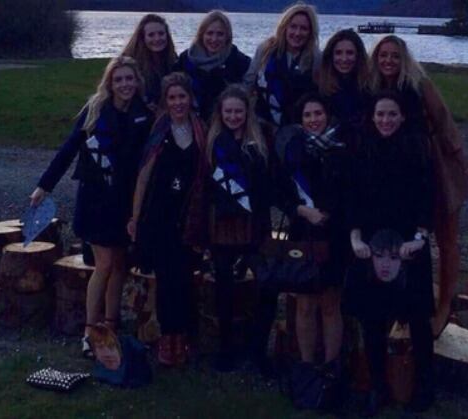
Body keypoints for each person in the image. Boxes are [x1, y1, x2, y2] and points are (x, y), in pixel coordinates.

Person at [30, 56, 153, 357]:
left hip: (125, 201)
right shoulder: (95, 111)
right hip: (96, 199)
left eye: (129, 79)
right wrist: (44, 185)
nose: (124, 84)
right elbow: (68, 149)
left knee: (120, 265)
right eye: (118, 79)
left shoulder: (145, 115)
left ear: (137, 82)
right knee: (104, 264)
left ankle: (110, 324)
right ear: (109, 83)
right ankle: (89, 329)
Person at [370, 35, 468, 336]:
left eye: (394, 55)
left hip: (434, 164)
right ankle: (401, 304)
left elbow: (445, 122)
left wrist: (464, 164)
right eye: (383, 55)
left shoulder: (420, 84)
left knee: (446, 238)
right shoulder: (374, 87)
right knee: (402, 235)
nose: (388, 61)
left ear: (404, 58)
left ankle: (444, 304)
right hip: (399, 171)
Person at [347, 92, 436, 416]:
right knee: (372, 318)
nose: (385, 120)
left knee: (418, 319)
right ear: (372, 117)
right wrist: (355, 237)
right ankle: (378, 387)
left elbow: (427, 197)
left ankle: (424, 388)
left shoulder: (416, 150)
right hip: (372, 245)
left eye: (391, 114)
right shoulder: (362, 150)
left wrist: (420, 237)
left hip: (408, 243)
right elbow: (353, 198)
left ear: (402, 117)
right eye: (380, 114)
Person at [184, 85, 282, 371]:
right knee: (224, 288)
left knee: (268, 285)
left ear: (247, 112)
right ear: (220, 112)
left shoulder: (261, 140)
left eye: (238, 111)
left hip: (255, 223)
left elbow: (270, 181)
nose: (233, 116)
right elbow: (202, 186)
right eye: (228, 111)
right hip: (221, 225)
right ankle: (226, 348)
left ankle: (258, 348)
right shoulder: (212, 142)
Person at [128, 72, 207, 367]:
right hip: (159, 217)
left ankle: (182, 336)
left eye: (182, 96)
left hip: (189, 216)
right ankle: (166, 338)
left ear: (190, 98)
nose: (177, 103)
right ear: (165, 100)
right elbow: (143, 177)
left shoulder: (201, 130)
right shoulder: (158, 131)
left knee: (185, 279)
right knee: (165, 280)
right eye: (172, 97)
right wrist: (135, 217)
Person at [277, 93, 352, 374]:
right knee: (305, 304)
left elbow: (351, 191)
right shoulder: (291, 149)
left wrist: (331, 213)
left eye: (318, 113)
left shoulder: (343, 149)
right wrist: (302, 210)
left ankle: (331, 368)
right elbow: (279, 192)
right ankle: (307, 367)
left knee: (331, 304)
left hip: (334, 235)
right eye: (307, 115)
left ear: (327, 115)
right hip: (302, 231)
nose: (313, 120)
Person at [244, 2, 321, 130]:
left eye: (303, 28)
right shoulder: (265, 50)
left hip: (299, 127)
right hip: (262, 122)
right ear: (284, 27)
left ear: (311, 32)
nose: (297, 33)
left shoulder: (317, 59)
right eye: (293, 27)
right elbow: (248, 83)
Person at [174, 10, 251, 121]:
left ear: (228, 36)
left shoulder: (239, 61)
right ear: (201, 34)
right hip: (193, 121)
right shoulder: (186, 59)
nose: (214, 39)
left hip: (227, 122)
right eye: (209, 33)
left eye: (220, 34)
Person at [122, 14, 178, 110]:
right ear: (142, 37)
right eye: (151, 35)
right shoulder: (129, 63)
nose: (157, 38)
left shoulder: (173, 60)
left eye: (161, 33)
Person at [318, 29, 370, 131]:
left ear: (358, 55)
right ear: (331, 56)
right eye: (338, 53)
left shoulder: (369, 87)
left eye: (350, 53)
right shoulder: (320, 88)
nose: (344, 59)